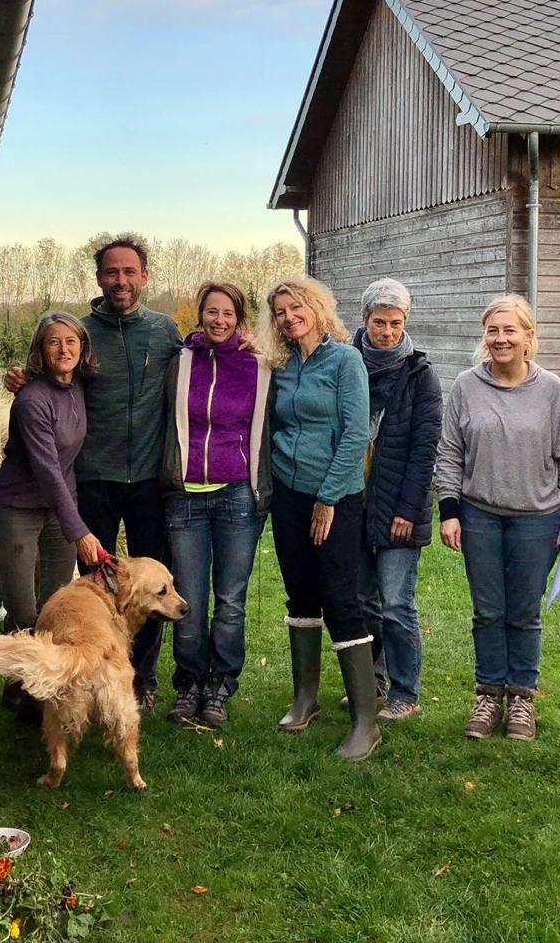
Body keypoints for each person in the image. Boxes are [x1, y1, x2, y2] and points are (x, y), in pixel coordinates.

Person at [6, 237, 181, 714]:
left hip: (148, 480)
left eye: (130, 272)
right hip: (91, 480)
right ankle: (75, 678)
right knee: (93, 592)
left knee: (152, 589)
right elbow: (50, 373)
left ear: (145, 276)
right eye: (111, 272)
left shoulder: (166, 331)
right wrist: (19, 378)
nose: (120, 281)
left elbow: (203, 360)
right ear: (99, 278)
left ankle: (139, 678)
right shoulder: (79, 333)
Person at [437, 295, 560, 742]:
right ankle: (488, 695)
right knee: (487, 611)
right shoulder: (465, 385)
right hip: (479, 514)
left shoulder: (551, 390)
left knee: (523, 612)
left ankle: (522, 697)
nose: (501, 339)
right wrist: (449, 510)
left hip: (536, 519)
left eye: (509, 330)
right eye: (493, 331)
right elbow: (449, 452)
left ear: (528, 337)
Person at [260, 274, 378, 761]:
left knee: (339, 597)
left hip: (336, 499)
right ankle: (305, 698)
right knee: (300, 594)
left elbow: (355, 435)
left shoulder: (346, 360)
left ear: (317, 307)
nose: (289, 317)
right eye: (280, 312)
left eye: (296, 307)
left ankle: (366, 723)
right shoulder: (281, 365)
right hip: (289, 496)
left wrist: (328, 497)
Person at [158, 281, 273, 728]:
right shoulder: (181, 362)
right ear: (200, 315)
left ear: (239, 319)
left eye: (228, 314)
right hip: (185, 497)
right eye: (212, 312)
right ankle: (189, 685)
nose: (219, 320)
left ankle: (220, 686)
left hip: (237, 497)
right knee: (186, 600)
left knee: (230, 601)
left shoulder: (258, 366)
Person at [0, 311, 102, 711]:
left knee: (54, 609)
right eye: (54, 341)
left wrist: (69, 522)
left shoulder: (78, 388)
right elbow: (47, 470)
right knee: (23, 610)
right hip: (18, 507)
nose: (63, 349)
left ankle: (42, 691)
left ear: (83, 347)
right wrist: (81, 532)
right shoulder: (31, 400)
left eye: (71, 341)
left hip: (58, 510)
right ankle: (16, 686)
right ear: (40, 348)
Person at [352, 278, 441, 724]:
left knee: (395, 602)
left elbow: (426, 448)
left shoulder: (420, 375)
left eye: (395, 323)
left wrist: (407, 509)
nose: (387, 331)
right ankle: (373, 681)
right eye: (379, 322)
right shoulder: (347, 363)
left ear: (406, 323)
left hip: (400, 507)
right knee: (364, 600)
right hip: (355, 503)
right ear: (364, 319)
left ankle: (406, 691)